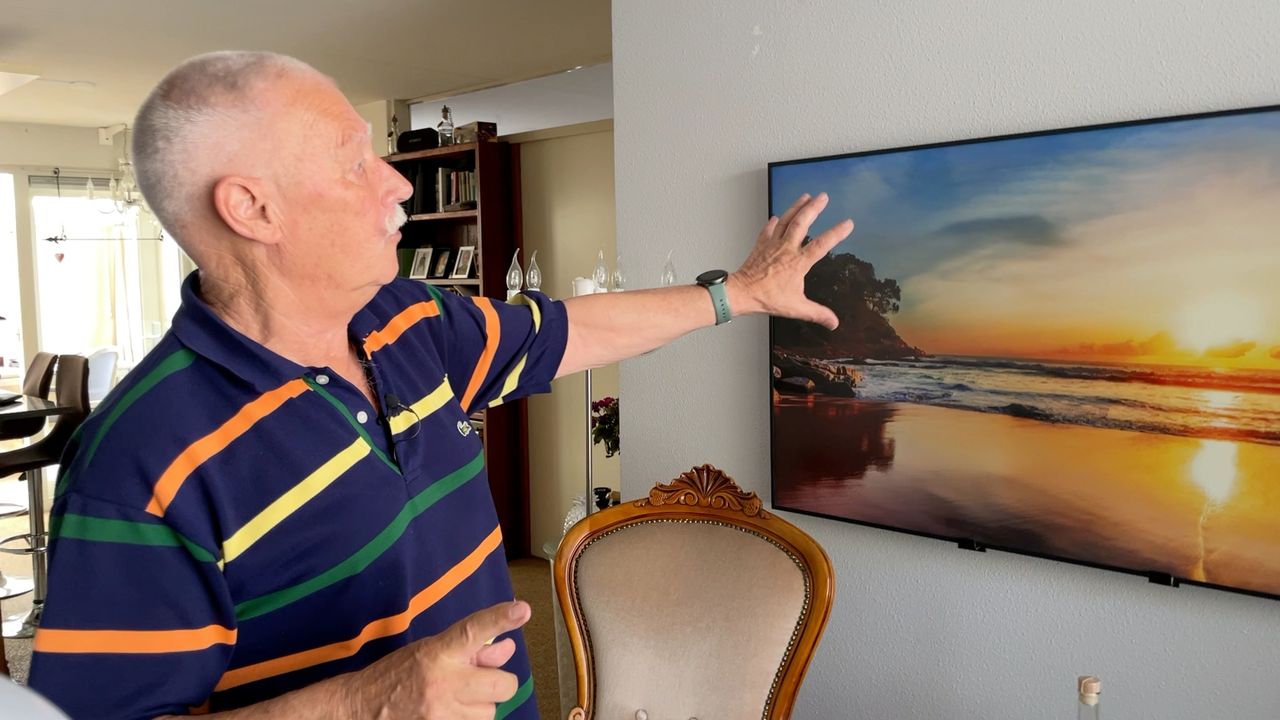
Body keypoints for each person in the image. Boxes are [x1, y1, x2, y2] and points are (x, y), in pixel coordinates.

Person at [27, 51, 852, 719]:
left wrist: (737, 294)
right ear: (253, 208)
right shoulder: (139, 463)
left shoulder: (406, 319)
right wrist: (360, 704)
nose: (397, 183)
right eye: (354, 163)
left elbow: (569, 330)